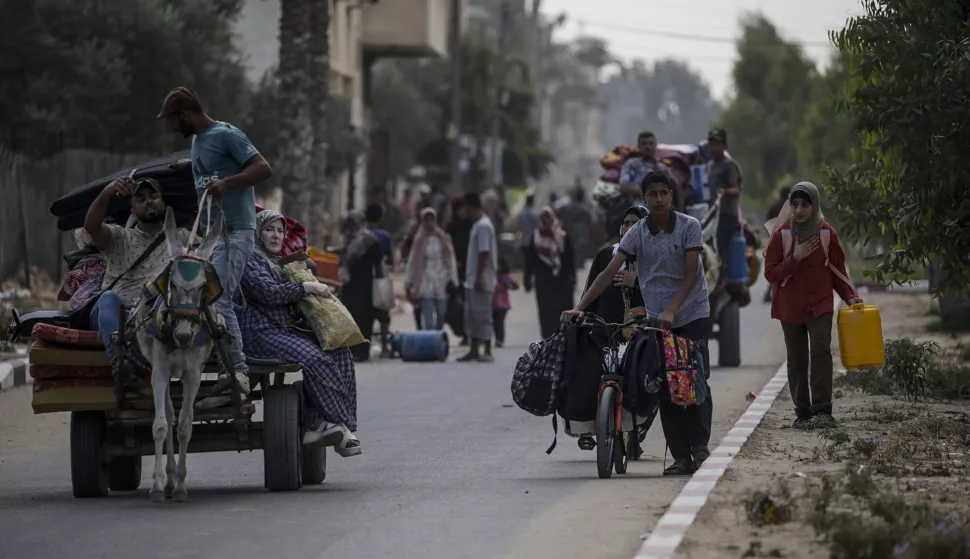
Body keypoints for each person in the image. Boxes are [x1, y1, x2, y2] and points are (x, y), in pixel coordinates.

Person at [562, 171, 713, 476]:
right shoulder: (637, 233)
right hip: (658, 319)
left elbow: (691, 274)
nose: (658, 199)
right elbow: (607, 273)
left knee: (692, 378)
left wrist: (672, 309)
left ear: (671, 195)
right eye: (652, 194)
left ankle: (700, 447)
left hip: (691, 313)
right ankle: (681, 456)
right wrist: (580, 307)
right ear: (644, 198)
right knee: (665, 384)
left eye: (663, 193)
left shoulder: (689, 226)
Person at [158, 86, 273, 395]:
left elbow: (263, 167)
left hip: (235, 231)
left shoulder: (227, 135)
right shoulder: (197, 141)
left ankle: (238, 371)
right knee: (188, 294)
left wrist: (228, 184)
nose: (170, 127)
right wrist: (189, 167)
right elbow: (210, 170)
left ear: (185, 114)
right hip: (209, 237)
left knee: (219, 297)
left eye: (172, 120)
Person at [237, 210, 360, 456]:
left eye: (280, 230)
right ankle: (338, 423)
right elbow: (268, 293)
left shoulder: (279, 261)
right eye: (269, 229)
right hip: (260, 333)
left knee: (340, 351)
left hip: (284, 331)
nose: (275, 235)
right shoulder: (250, 258)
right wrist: (305, 286)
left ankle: (319, 424)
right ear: (258, 233)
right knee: (316, 358)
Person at [764, 182, 862, 430]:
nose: (799, 210)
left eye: (805, 205)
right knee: (797, 359)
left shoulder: (827, 233)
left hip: (820, 303)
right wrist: (794, 258)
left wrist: (850, 296)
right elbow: (770, 274)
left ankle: (822, 410)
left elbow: (838, 270)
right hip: (790, 305)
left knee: (821, 351)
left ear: (814, 205)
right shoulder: (782, 235)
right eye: (794, 204)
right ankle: (803, 412)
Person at [80, 177, 188, 369]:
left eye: (154, 196)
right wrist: (107, 192)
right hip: (117, 315)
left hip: (157, 316)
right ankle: (121, 365)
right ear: (132, 210)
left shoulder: (183, 238)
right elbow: (92, 227)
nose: (149, 201)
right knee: (108, 298)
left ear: (163, 203)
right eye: (140, 199)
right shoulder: (119, 236)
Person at [571, 205, 649, 450]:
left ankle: (636, 431)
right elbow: (592, 293)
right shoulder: (607, 256)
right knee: (586, 369)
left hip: (640, 332)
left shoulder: (652, 259)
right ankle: (587, 425)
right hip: (606, 329)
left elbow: (662, 295)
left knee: (644, 379)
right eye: (626, 223)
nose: (628, 228)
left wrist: (636, 282)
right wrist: (581, 315)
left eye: (635, 224)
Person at [457, 193, 498, 363]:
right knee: (472, 315)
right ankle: (474, 349)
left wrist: (480, 276)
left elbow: (483, 252)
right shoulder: (478, 225)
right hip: (473, 278)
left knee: (482, 314)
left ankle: (487, 348)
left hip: (481, 278)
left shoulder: (483, 226)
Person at [524, 207, 577, 339]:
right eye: (544, 218)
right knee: (546, 311)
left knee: (563, 308)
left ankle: (565, 337)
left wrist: (573, 276)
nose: (547, 220)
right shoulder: (536, 237)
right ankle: (548, 338)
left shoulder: (563, 235)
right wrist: (527, 278)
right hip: (543, 280)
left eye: (549, 217)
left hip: (562, 280)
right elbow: (530, 259)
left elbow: (570, 258)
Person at [404, 208, 459, 331]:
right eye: (426, 220)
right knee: (428, 317)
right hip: (425, 280)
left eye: (431, 219)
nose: (429, 223)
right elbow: (412, 262)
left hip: (442, 279)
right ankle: (430, 342)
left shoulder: (443, 238)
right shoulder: (419, 240)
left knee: (441, 313)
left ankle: (437, 335)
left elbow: (450, 260)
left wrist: (453, 279)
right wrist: (408, 282)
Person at [339, 210, 384, 362]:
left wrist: (381, 280)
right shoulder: (347, 240)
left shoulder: (369, 240)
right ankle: (351, 350)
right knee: (350, 316)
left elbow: (378, 262)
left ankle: (362, 351)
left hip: (366, 285)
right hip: (349, 285)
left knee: (364, 318)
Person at [706, 128, 743, 275]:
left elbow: (736, 189)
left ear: (724, 146)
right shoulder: (709, 167)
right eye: (711, 145)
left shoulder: (729, 165)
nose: (714, 148)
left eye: (717, 144)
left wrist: (725, 192)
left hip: (727, 216)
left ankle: (722, 281)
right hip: (712, 216)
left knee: (720, 252)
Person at [366, 203, 394, 357]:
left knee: (366, 312)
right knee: (383, 314)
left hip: (363, 279)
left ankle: (365, 345)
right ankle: (384, 347)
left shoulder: (361, 233)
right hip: (380, 276)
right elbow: (390, 259)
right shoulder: (384, 236)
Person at [446, 195, 474, 345]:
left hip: (470, 270)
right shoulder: (450, 227)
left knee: (468, 305)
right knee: (455, 307)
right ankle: (462, 332)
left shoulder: (473, 225)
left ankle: (470, 334)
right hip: (454, 271)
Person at [763, 186, 792, 303]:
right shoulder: (791, 208)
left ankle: (770, 293)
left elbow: (767, 223)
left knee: (775, 268)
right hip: (788, 241)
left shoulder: (774, 207)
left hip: (775, 240)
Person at [559, 186, 594, 268]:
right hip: (582, 234)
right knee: (579, 257)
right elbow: (590, 221)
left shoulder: (567, 208)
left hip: (570, 233)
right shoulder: (585, 210)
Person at [492, 257, 519, 348]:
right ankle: (497, 338)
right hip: (493, 304)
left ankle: (500, 339)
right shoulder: (492, 277)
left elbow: (515, 286)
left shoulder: (504, 277)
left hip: (502, 305)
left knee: (499, 322)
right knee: (495, 322)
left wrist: (509, 285)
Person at [515, 192, 540, 259]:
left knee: (526, 262)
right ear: (532, 201)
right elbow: (538, 226)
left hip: (523, 241)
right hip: (532, 242)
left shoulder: (520, 213)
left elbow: (518, 226)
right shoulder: (533, 214)